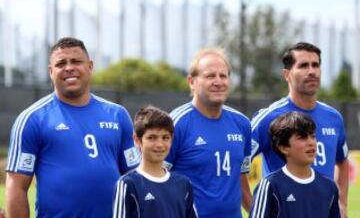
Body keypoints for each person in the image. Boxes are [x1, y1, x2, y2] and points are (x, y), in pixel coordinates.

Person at [6, 37, 140, 218]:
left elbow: (134, 178)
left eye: (76, 61)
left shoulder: (118, 115)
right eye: (61, 63)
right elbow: (16, 186)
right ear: (51, 71)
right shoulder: (32, 119)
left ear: (90, 66)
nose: (69, 67)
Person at [248, 42, 348, 217]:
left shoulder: (334, 118)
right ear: (286, 74)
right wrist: (260, 209)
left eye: (315, 65)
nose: (312, 71)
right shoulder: (268, 118)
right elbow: (237, 161)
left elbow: (343, 160)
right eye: (303, 65)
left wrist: (342, 203)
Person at [165, 47, 252, 218]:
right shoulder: (176, 124)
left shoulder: (242, 124)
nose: (218, 81)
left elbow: (241, 181)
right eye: (210, 76)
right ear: (192, 81)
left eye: (223, 76)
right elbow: (154, 181)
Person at [250, 111, 340, 218]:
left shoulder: (329, 187)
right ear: (284, 147)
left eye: (313, 136)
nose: (311, 142)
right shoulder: (269, 185)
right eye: (302, 137)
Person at [113, 106, 198, 218]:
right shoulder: (127, 184)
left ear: (172, 139)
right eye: (152, 137)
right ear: (137, 140)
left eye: (165, 138)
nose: (159, 144)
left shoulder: (184, 184)